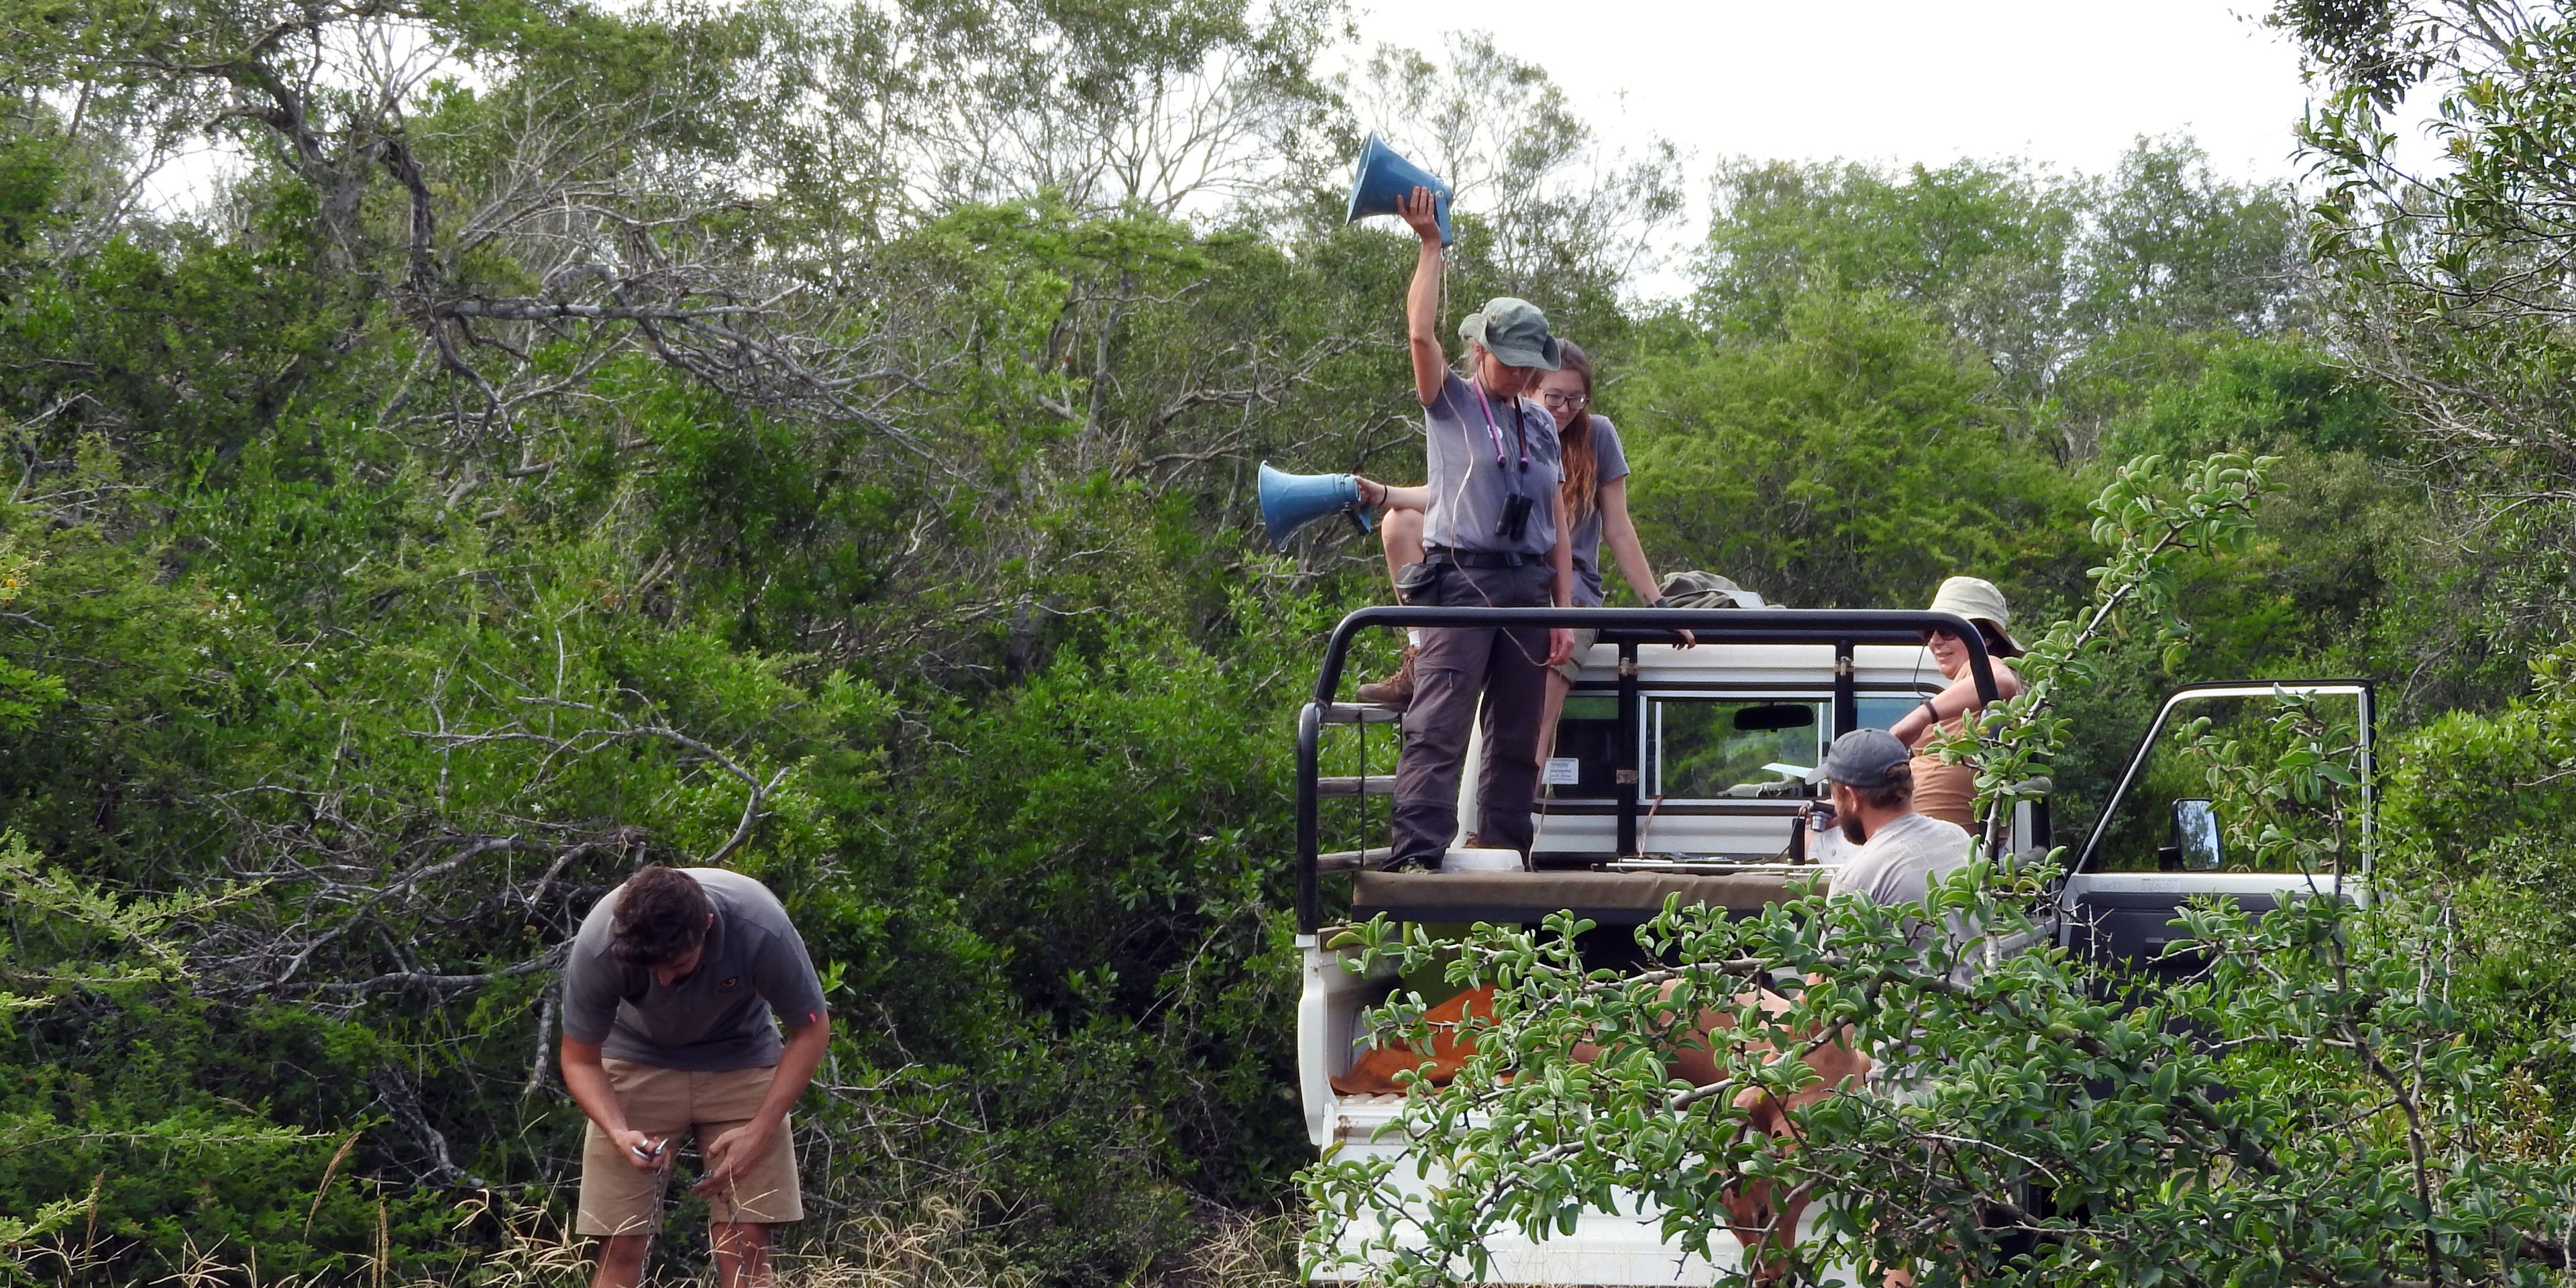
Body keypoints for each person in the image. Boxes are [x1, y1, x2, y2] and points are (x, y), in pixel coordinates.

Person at [1354, 343, 1693, 772]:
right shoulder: (1503, 426)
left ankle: (1498, 833)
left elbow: (1619, 528)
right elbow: (1454, 498)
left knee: (1529, 725)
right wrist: (1384, 495)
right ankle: (1421, 653)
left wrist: (1658, 606)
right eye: (1554, 397)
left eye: (1576, 398)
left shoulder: (1597, 435)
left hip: (1564, 593)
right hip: (1494, 581)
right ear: (1530, 392)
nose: (1565, 408)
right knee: (1399, 522)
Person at [1375, 184, 1574, 867]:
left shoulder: (1541, 420)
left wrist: (1563, 610)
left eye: (1531, 363)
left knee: (1517, 735)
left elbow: (1555, 516)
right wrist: (1432, 244)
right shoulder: (1452, 404)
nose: (1521, 372)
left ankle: (1504, 858)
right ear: (1482, 349)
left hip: (1528, 584)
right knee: (1440, 723)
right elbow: (1419, 333)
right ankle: (1417, 858)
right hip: (1463, 579)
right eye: (1511, 358)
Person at [559, 865, 832, 1288]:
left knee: (746, 1245)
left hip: (740, 1059)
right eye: (652, 969)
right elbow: (579, 1059)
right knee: (620, 1242)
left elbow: (812, 1028)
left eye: (678, 964)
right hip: (635, 1060)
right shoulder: (601, 939)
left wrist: (758, 1132)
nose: (665, 980)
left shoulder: (759, 924)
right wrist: (617, 1131)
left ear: (707, 926)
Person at [1884, 576, 2027, 830]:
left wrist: (1922, 716)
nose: (1934, 642)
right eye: (1930, 632)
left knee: (1811, 840)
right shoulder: (1966, 685)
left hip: (1938, 844)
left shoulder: (1990, 667)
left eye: (1947, 631)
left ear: (1986, 638)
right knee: (1813, 827)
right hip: (1920, 835)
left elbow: (2001, 680)